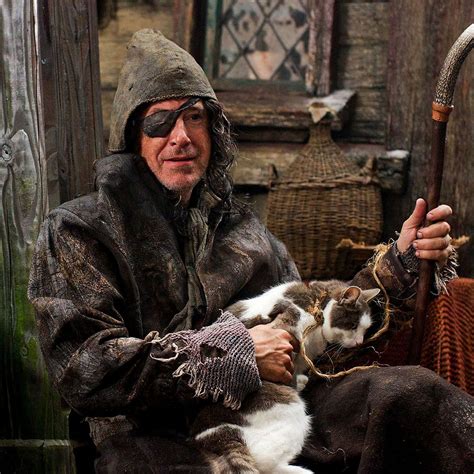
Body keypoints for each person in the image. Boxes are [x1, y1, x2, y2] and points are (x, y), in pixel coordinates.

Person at [28, 29, 472, 473]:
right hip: (162, 439)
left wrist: (401, 265)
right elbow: (86, 369)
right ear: (133, 137)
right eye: (159, 122)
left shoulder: (244, 232)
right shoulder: (81, 231)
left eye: (194, 117)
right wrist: (232, 353)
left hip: (273, 416)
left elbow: (314, 340)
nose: (181, 136)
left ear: (212, 131)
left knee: (410, 394)